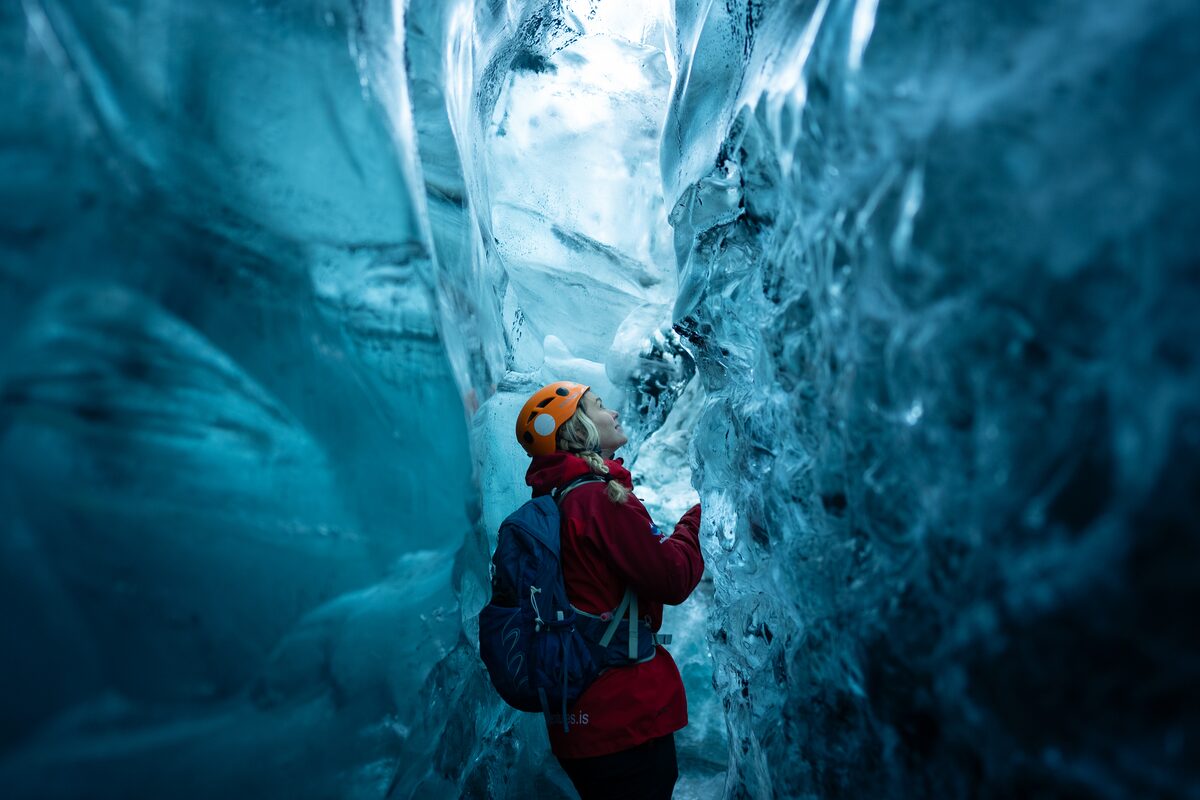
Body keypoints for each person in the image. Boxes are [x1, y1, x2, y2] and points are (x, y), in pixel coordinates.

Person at [515, 381, 704, 800]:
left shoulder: (557, 500)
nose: (614, 413)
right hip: (625, 717)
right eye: (600, 406)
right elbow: (672, 577)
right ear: (579, 429)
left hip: (582, 723)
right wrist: (698, 520)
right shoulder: (599, 500)